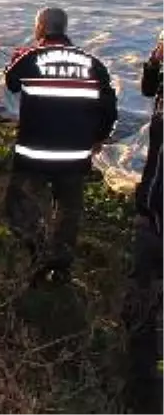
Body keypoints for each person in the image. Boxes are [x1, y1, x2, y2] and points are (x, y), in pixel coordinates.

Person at [2, 7, 117, 285]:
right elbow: (109, 108)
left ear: (41, 28)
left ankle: (34, 255)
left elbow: (11, 83)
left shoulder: (31, 58)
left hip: (34, 153)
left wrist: (19, 58)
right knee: (68, 210)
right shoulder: (93, 63)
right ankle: (60, 266)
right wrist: (97, 137)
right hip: (75, 155)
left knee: (21, 204)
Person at [125, 31, 164, 412]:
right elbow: (149, 88)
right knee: (141, 309)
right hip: (151, 211)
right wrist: (154, 62)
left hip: (154, 217)